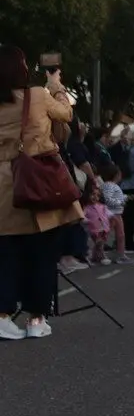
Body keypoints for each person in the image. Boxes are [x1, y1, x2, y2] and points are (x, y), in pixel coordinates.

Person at [0, 46, 84, 339]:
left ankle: (3, 314)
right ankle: (37, 318)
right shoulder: (37, 95)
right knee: (43, 253)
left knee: (7, 253)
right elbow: (66, 113)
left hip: (4, 185)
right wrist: (57, 87)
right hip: (36, 180)